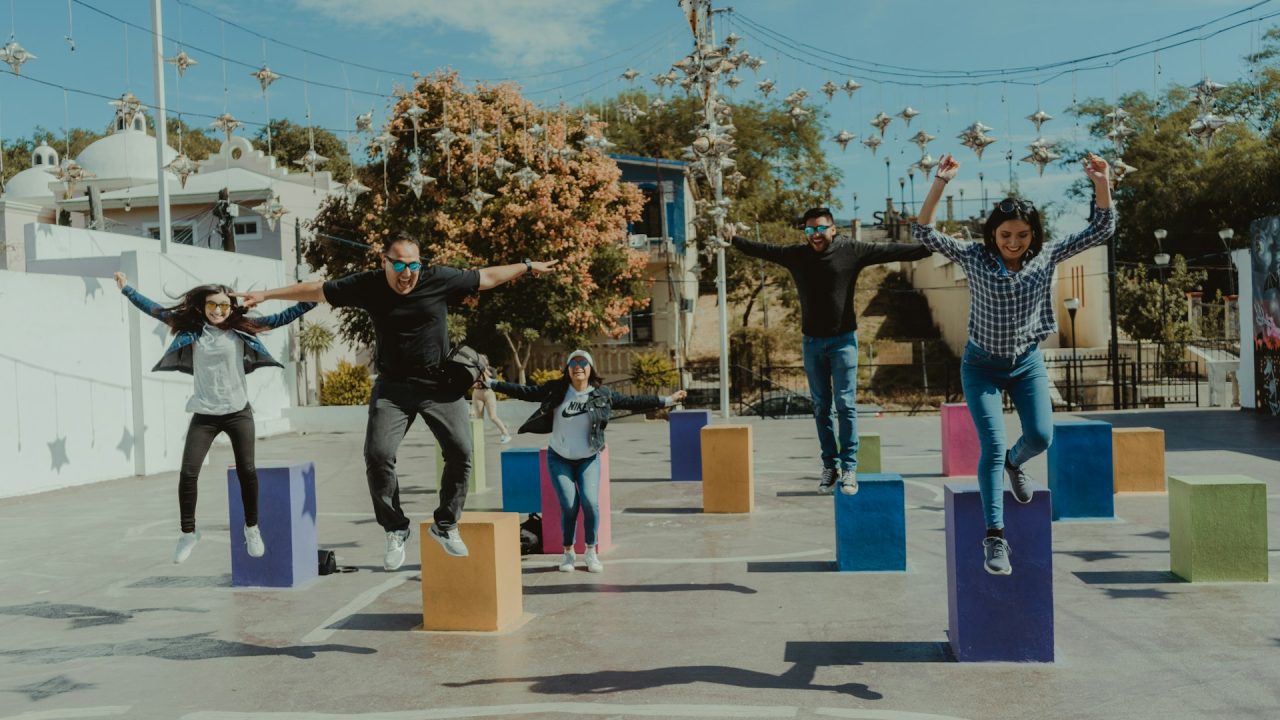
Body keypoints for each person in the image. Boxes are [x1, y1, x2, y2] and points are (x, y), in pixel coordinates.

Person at [234, 231, 558, 570]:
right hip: (392, 389)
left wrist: (526, 265)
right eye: (399, 264)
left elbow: (487, 277)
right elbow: (317, 290)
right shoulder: (368, 284)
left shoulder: (438, 279)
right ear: (384, 261)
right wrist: (266, 294)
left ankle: (445, 525)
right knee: (378, 456)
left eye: (414, 265)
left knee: (461, 451)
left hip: (438, 385)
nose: (407, 273)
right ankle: (395, 528)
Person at [912, 152, 1114, 576]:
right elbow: (923, 231)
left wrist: (1102, 182)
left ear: (1033, 234)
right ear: (993, 233)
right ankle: (995, 537)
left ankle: (1015, 461)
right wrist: (940, 183)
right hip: (981, 366)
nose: (1014, 242)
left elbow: (1103, 228)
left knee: (1041, 436)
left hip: (1027, 365)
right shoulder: (974, 257)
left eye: (1022, 234)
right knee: (989, 446)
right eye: (1006, 234)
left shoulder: (1047, 256)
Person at [114, 271, 315, 564]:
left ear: (232, 307)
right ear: (202, 307)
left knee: (247, 471)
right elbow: (155, 310)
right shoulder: (191, 329)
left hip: (238, 412)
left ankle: (252, 528)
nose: (218, 311)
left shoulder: (243, 328)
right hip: (205, 414)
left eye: (224, 305)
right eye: (212, 305)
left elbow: (284, 316)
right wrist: (126, 289)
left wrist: (317, 298)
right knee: (188, 473)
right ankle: (188, 533)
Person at [730, 210, 932, 496]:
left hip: (843, 342)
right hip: (811, 342)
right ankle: (830, 467)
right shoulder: (797, 254)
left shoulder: (852, 249)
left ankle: (849, 468)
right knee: (821, 407)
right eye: (809, 230)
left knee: (845, 405)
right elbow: (764, 250)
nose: (814, 235)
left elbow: (891, 250)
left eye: (820, 229)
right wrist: (734, 239)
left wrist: (932, 246)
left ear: (833, 229)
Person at [488, 350, 686, 573]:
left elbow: (633, 401)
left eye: (583, 362)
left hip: (589, 458)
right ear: (568, 369)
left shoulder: (602, 394)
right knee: (569, 506)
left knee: (590, 503)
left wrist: (668, 399)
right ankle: (569, 552)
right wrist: (492, 383)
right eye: (573, 362)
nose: (578, 366)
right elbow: (525, 391)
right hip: (559, 457)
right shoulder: (557, 389)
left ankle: (590, 551)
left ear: (591, 369)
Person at [471, 353, 511, 443]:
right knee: (479, 419)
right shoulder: (474, 370)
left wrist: (484, 369)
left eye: (483, 359)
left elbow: (493, 378)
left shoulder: (491, 369)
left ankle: (505, 433)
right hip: (477, 394)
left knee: (493, 416)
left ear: (486, 360)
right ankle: (480, 439)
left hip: (488, 393)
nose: (480, 360)